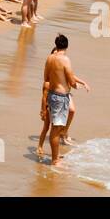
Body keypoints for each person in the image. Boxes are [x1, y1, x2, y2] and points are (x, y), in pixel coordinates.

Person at [37, 33, 89, 166]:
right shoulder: (65, 59)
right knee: (56, 129)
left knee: (56, 128)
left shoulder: (49, 58)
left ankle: (56, 156)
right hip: (60, 97)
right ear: (66, 46)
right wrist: (76, 85)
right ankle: (55, 160)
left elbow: (46, 78)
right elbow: (71, 81)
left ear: (56, 45)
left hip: (52, 95)